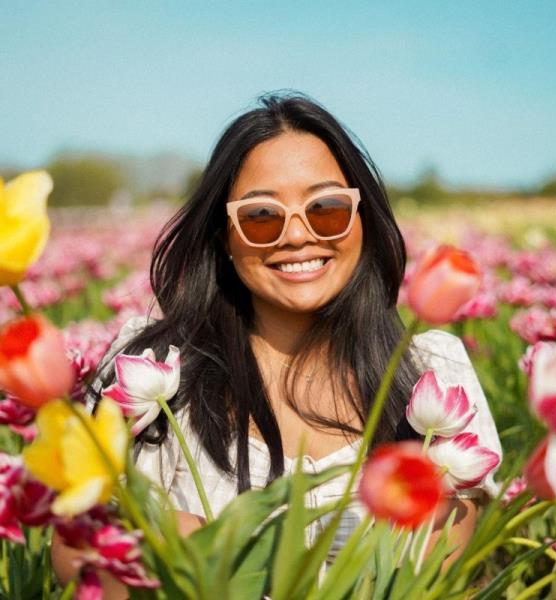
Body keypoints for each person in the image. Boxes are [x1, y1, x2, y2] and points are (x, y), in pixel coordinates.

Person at [52, 91, 502, 595]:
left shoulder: (433, 374)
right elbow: (73, 549)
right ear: (224, 235)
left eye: (326, 208)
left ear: (362, 218)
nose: (296, 235)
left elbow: (444, 575)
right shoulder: (149, 367)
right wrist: (169, 552)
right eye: (261, 215)